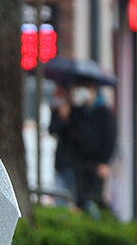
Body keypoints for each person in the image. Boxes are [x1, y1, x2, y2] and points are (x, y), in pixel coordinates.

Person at [49, 76, 117, 212]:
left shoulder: (103, 113)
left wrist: (105, 162)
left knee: (92, 200)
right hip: (75, 164)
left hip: (94, 165)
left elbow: (108, 138)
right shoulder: (74, 110)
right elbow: (57, 130)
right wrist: (63, 117)